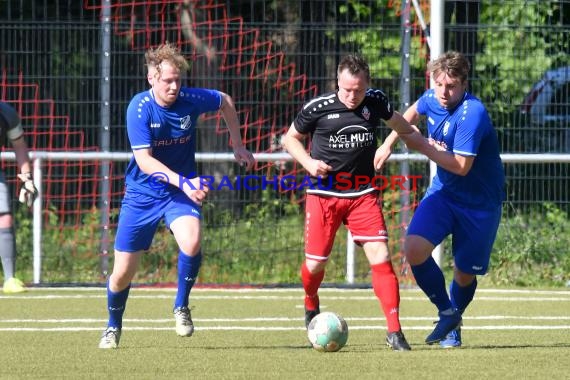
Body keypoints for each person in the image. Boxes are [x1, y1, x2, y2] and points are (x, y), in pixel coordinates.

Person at [98, 42, 256, 349]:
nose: (174, 86)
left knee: (192, 239)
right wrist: (185, 182)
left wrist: (237, 144)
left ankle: (181, 306)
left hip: (178, 192)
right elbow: (144, 161)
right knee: (121, 275)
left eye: (178, 80)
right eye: (167, 80)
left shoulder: (190, 99)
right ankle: (113, 326)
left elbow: (224, 101)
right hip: (142, 193)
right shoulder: (139, 107)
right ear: (152, 79)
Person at [283, 54, 426, 352]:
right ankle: (311, 302)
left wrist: (389, 146)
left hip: (362, 195)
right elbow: (290, 139)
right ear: (338, 82)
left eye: (358, 90)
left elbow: (402, 126)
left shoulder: (375, 102)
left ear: (367, 85)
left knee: (381, 257)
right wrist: (308, 163)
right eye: (347, 89)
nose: (352, 96)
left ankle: (395, 332)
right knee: (315, 263)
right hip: (323, 195)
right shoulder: (318, 107)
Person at [377, 51, 505, 348]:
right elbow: (408, 114)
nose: (444, 93)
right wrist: (388, 143)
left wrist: (421, 144)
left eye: (452, 86)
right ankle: (447, 314)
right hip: (445, 193)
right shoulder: (432, 98)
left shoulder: (473, 113)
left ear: (464, 84)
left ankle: (454, 320)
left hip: (480, 203)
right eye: (439, 85)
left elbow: (461, 166)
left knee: (463, 273)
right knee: (414, 248)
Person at [0, 101, 38, 293]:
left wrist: (27, 179)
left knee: (5, 217)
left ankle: (9, 279)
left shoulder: (6, 113)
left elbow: (19, 145)